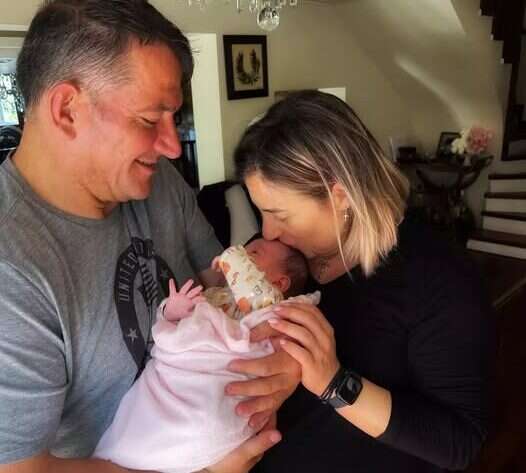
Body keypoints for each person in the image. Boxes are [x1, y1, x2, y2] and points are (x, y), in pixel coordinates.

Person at [0, 1, 301, 472]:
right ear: (67, 110)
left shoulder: (157, 181)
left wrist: (282, 363)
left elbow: (226, 287)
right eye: (149, 119)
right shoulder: (12, 266)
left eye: (173, 118)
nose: (173, 147)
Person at [233, 90, 496, 473]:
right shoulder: (284, 260)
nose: (267, 232)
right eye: (261, 212)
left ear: (341, 196)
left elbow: (459, 441)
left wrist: (334, 383)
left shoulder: (440, 277)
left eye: (280, 215)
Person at [93, 240, 314, 473]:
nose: (244, 253)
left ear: (280, 283)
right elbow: (182, 326)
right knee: (137, 423)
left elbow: (254, 295)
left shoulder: (273, 309)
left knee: (204, 424)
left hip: (217, 379)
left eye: (255, 253)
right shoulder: (217, 295)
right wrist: (171, 311)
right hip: (175, 372)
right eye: (243, 251)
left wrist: (232, 258)